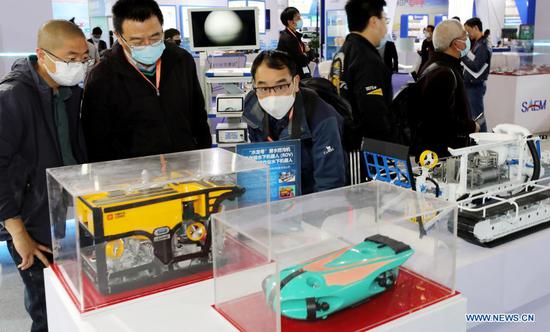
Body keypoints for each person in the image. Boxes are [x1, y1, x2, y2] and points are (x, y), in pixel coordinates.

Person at [0, 20, 89, 332]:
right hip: (28, 219)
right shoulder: (11, 97)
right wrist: (18, 233)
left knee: (69, 302)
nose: (78, 65)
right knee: (46, 309)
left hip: (59, 210)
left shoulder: (67, 92)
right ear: (42, 54)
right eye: (70, 58)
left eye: (83, 58)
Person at [82, 0, 212, 162]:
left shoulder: (181, 60)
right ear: (119, 37)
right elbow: (96, 141)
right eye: (137, 41)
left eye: (155, 37)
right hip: (133, 177)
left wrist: (204, 157)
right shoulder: (102, 77)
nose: (148, 45)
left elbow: (198, 115)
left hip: (185, 166)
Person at [243, 50, 346, 194]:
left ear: (295, 82)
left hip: (310, 196)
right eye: (264, 88)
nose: (272, 96)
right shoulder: (252, 108)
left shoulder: (322, 118)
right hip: (275, 192)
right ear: (254, 85)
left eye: (281, 86)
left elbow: (329, 184)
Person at [411, 19, 479, 158]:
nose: (467, 39)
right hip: (443, 156)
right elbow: (443, 120)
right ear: (456, 44)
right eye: (464, 36)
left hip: (437, 153)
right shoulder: (444, 73)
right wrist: (471, 127)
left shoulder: (435, 65)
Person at [332, 0, 394, 148]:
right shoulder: (367, 59)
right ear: (373, 21)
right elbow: (373, 112)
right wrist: (388, 147)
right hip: (365, 146)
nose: (385, 27)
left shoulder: (343, 52)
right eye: (384, 19)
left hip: (345, 138)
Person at [462, 18, 492, 132]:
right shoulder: (477, 43)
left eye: (469, 31)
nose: (468, 34)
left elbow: (476, 66)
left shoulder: (483, 45)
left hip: (475, 86)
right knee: (473, 116)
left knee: (478, 117)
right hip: (470, 85)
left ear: (476, 28)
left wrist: (462, 57)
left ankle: (483, 140)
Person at [277, 7, 312, 79]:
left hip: (300, 74)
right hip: (293, 77)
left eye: (300, 17)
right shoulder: (287, 38)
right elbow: (302, 61)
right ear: (290, 22)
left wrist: (307, 54)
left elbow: (309, 55)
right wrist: (307, 53)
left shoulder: (295, 35)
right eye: (298, 18)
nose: (300, 20)